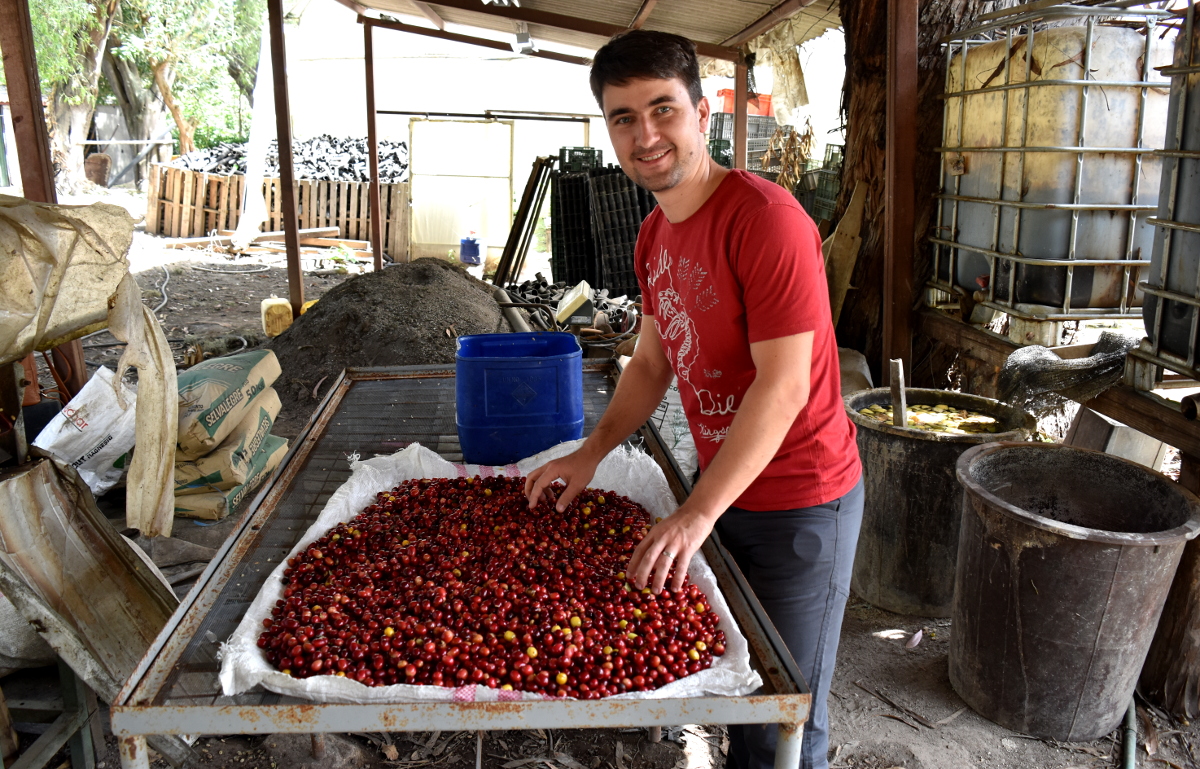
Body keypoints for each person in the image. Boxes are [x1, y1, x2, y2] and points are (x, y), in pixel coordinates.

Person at [524, 29, 863, 769]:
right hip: (723, 485)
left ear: (701, 115)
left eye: (662, 109)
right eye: (623, 117)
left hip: (801, 502)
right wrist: (591, 452)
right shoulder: (654, 236)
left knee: (788, 713)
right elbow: (650, 362)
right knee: (736, 685)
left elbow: (785, 386)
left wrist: (696, 512)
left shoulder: (764, 221)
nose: (645, 135)